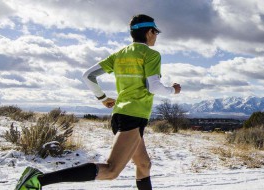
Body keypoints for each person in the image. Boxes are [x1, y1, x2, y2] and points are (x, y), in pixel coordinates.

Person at [15, 14, 181, 190]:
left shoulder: (118, 55)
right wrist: (173, 90)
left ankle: (37, 180)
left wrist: (102, 98)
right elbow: (153, 87)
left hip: (121, 115)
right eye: (156, 33)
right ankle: (38, 180)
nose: (156, 36)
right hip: (132, 117)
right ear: (149, 32)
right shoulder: (151, 55)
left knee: (144, 164)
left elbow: (88, 75)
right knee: (111, 170)